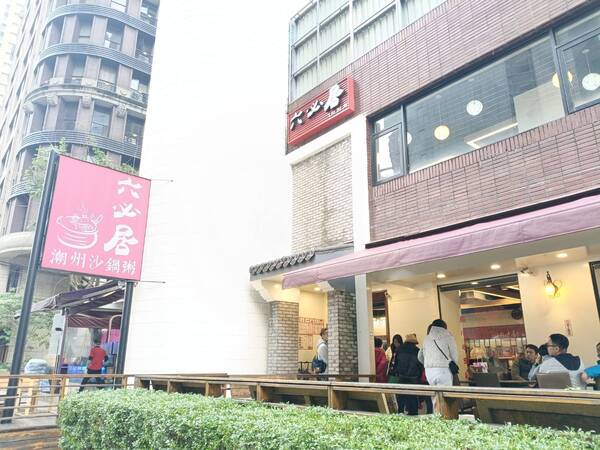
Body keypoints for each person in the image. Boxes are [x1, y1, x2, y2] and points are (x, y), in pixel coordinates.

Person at [418, 319, 459, 392]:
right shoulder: (448, 337)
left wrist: (428, 364)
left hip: (429, 372)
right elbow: (454, 355)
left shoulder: (426, 339)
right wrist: (453, 365)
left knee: (435, 395)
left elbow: (420, 356)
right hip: (443, 370)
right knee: (445, 394)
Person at [394, 334, 423, 415]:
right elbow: (420, 366)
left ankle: (400, 413)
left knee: (401, 398)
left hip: (401, 377)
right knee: (412, 398)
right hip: (413, 379)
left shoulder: (399, 349)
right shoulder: (417, 351)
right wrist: (418, 377)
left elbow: (395, 363)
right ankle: (413, 414)